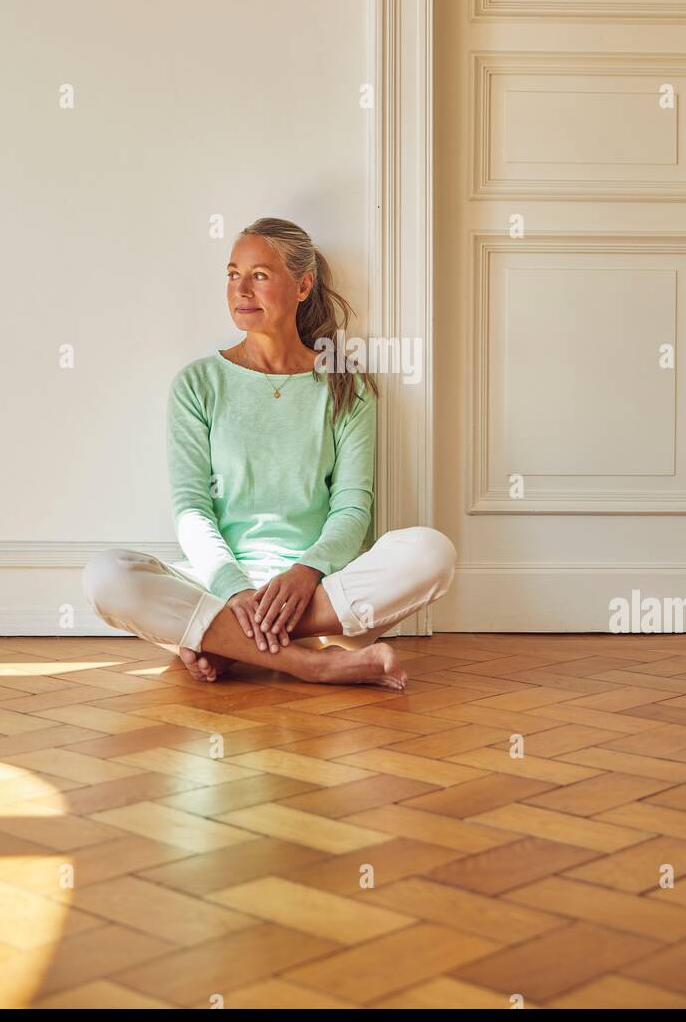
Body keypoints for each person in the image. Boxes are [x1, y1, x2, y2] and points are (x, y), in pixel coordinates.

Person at [83, 217, 456, 691]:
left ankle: (223, 642)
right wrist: (233, 588)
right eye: (232, 273)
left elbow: (352, 507)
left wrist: (306, 573)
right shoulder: (198, 384)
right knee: (106, 576)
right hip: (218, 582)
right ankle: (312, 663)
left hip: (319, 589)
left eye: (259, 275)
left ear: (302, 286)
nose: (240, 289)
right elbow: (192, 508)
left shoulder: (348, 386)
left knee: (432, 551)